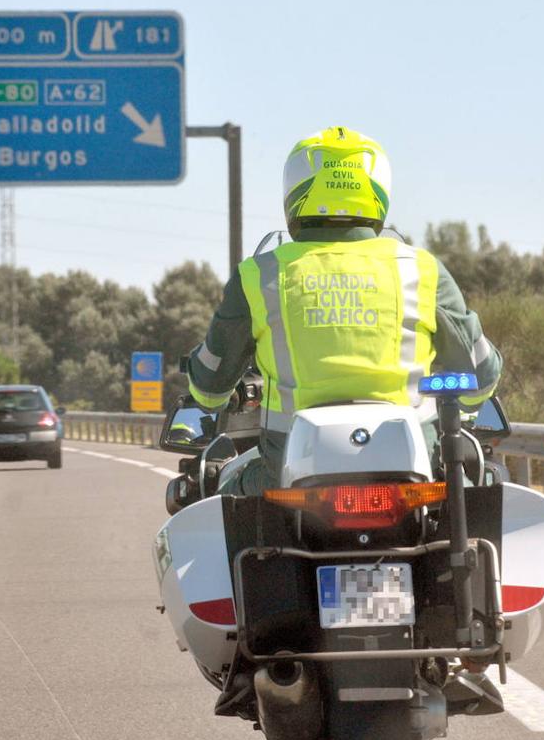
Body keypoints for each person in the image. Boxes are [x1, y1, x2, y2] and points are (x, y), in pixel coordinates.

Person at [187, 125, 502, 496]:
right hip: (418, 477)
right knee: (477, 493)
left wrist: (211, 387)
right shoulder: (420, 269)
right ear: (377, 192)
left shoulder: (259, 275)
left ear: (294, 192)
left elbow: (209, 387)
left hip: (287, 480)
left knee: (222, 489)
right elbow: (481, 377)